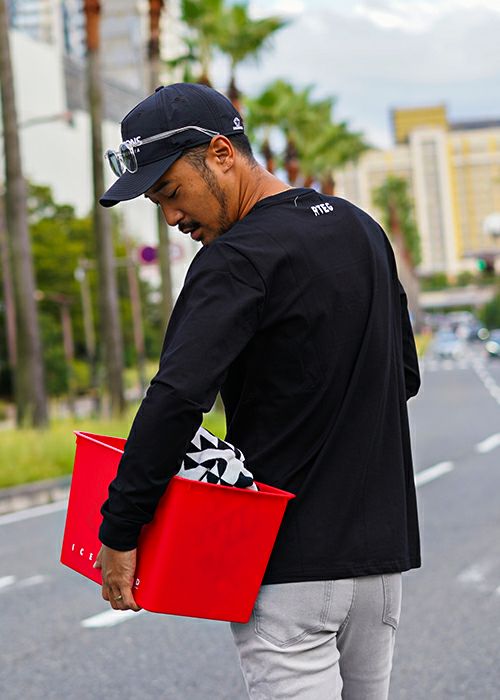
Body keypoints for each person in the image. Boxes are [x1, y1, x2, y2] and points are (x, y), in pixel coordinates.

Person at [94, 83, 421, 700]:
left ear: (221, 153)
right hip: (380, 564)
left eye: (171, 192)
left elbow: (175, 400)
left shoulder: (236, 259)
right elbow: (404, 375)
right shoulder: (362, 229)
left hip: (284, 565)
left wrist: (119, 531)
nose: (171, 218)